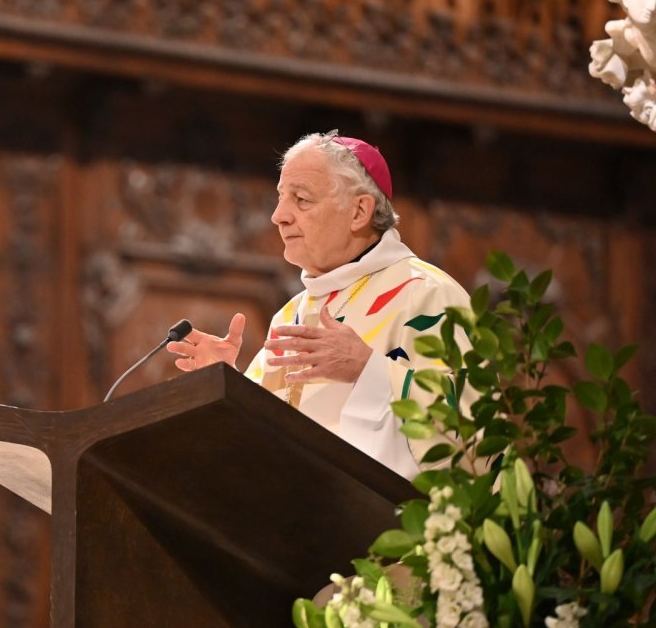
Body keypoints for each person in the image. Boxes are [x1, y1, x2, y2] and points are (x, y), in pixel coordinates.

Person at [166, 131, 471, 480]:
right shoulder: (292, 313)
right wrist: (229, 386)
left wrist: (367, 370)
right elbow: (266, 446)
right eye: (281, 198)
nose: (278, 216)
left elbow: (470, 428)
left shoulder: (426, 295)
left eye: (301, 199)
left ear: (359, 211)